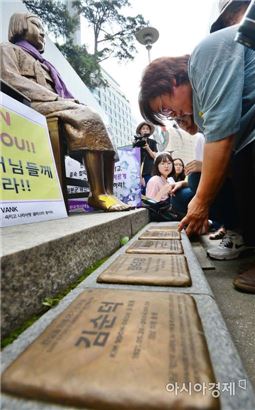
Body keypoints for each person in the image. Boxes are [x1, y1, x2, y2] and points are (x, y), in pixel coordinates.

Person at [138, 3, 255, 292]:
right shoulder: (199, 106)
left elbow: (222, 139)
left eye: (165, 107)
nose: (173, 116)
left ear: (173, 80)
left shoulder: (204, 55)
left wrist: (201, 203)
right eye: (166, 115)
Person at [0, 12, 130, 212]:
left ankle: (108, 192)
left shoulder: (46, 64)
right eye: (37, 25)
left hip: (56, 105)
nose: (43, 32)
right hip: (31, 104)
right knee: (89, 117)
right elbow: (11, 79)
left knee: (96, 120)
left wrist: (66, 102)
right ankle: (97, 193)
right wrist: (54, 99)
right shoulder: (8, 49)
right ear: (20, 25)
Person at [134, 122, 158, 195]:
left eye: (147, 129)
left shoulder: (152, 142)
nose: (145, 130)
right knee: (139, 193)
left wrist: (147, 148)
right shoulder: (136, 142)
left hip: (150, 171)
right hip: (138, 172)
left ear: (150, 131)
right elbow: (134, 158)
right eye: (143, 128)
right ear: (140, 131)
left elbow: (155, 156)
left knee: (150, 192)